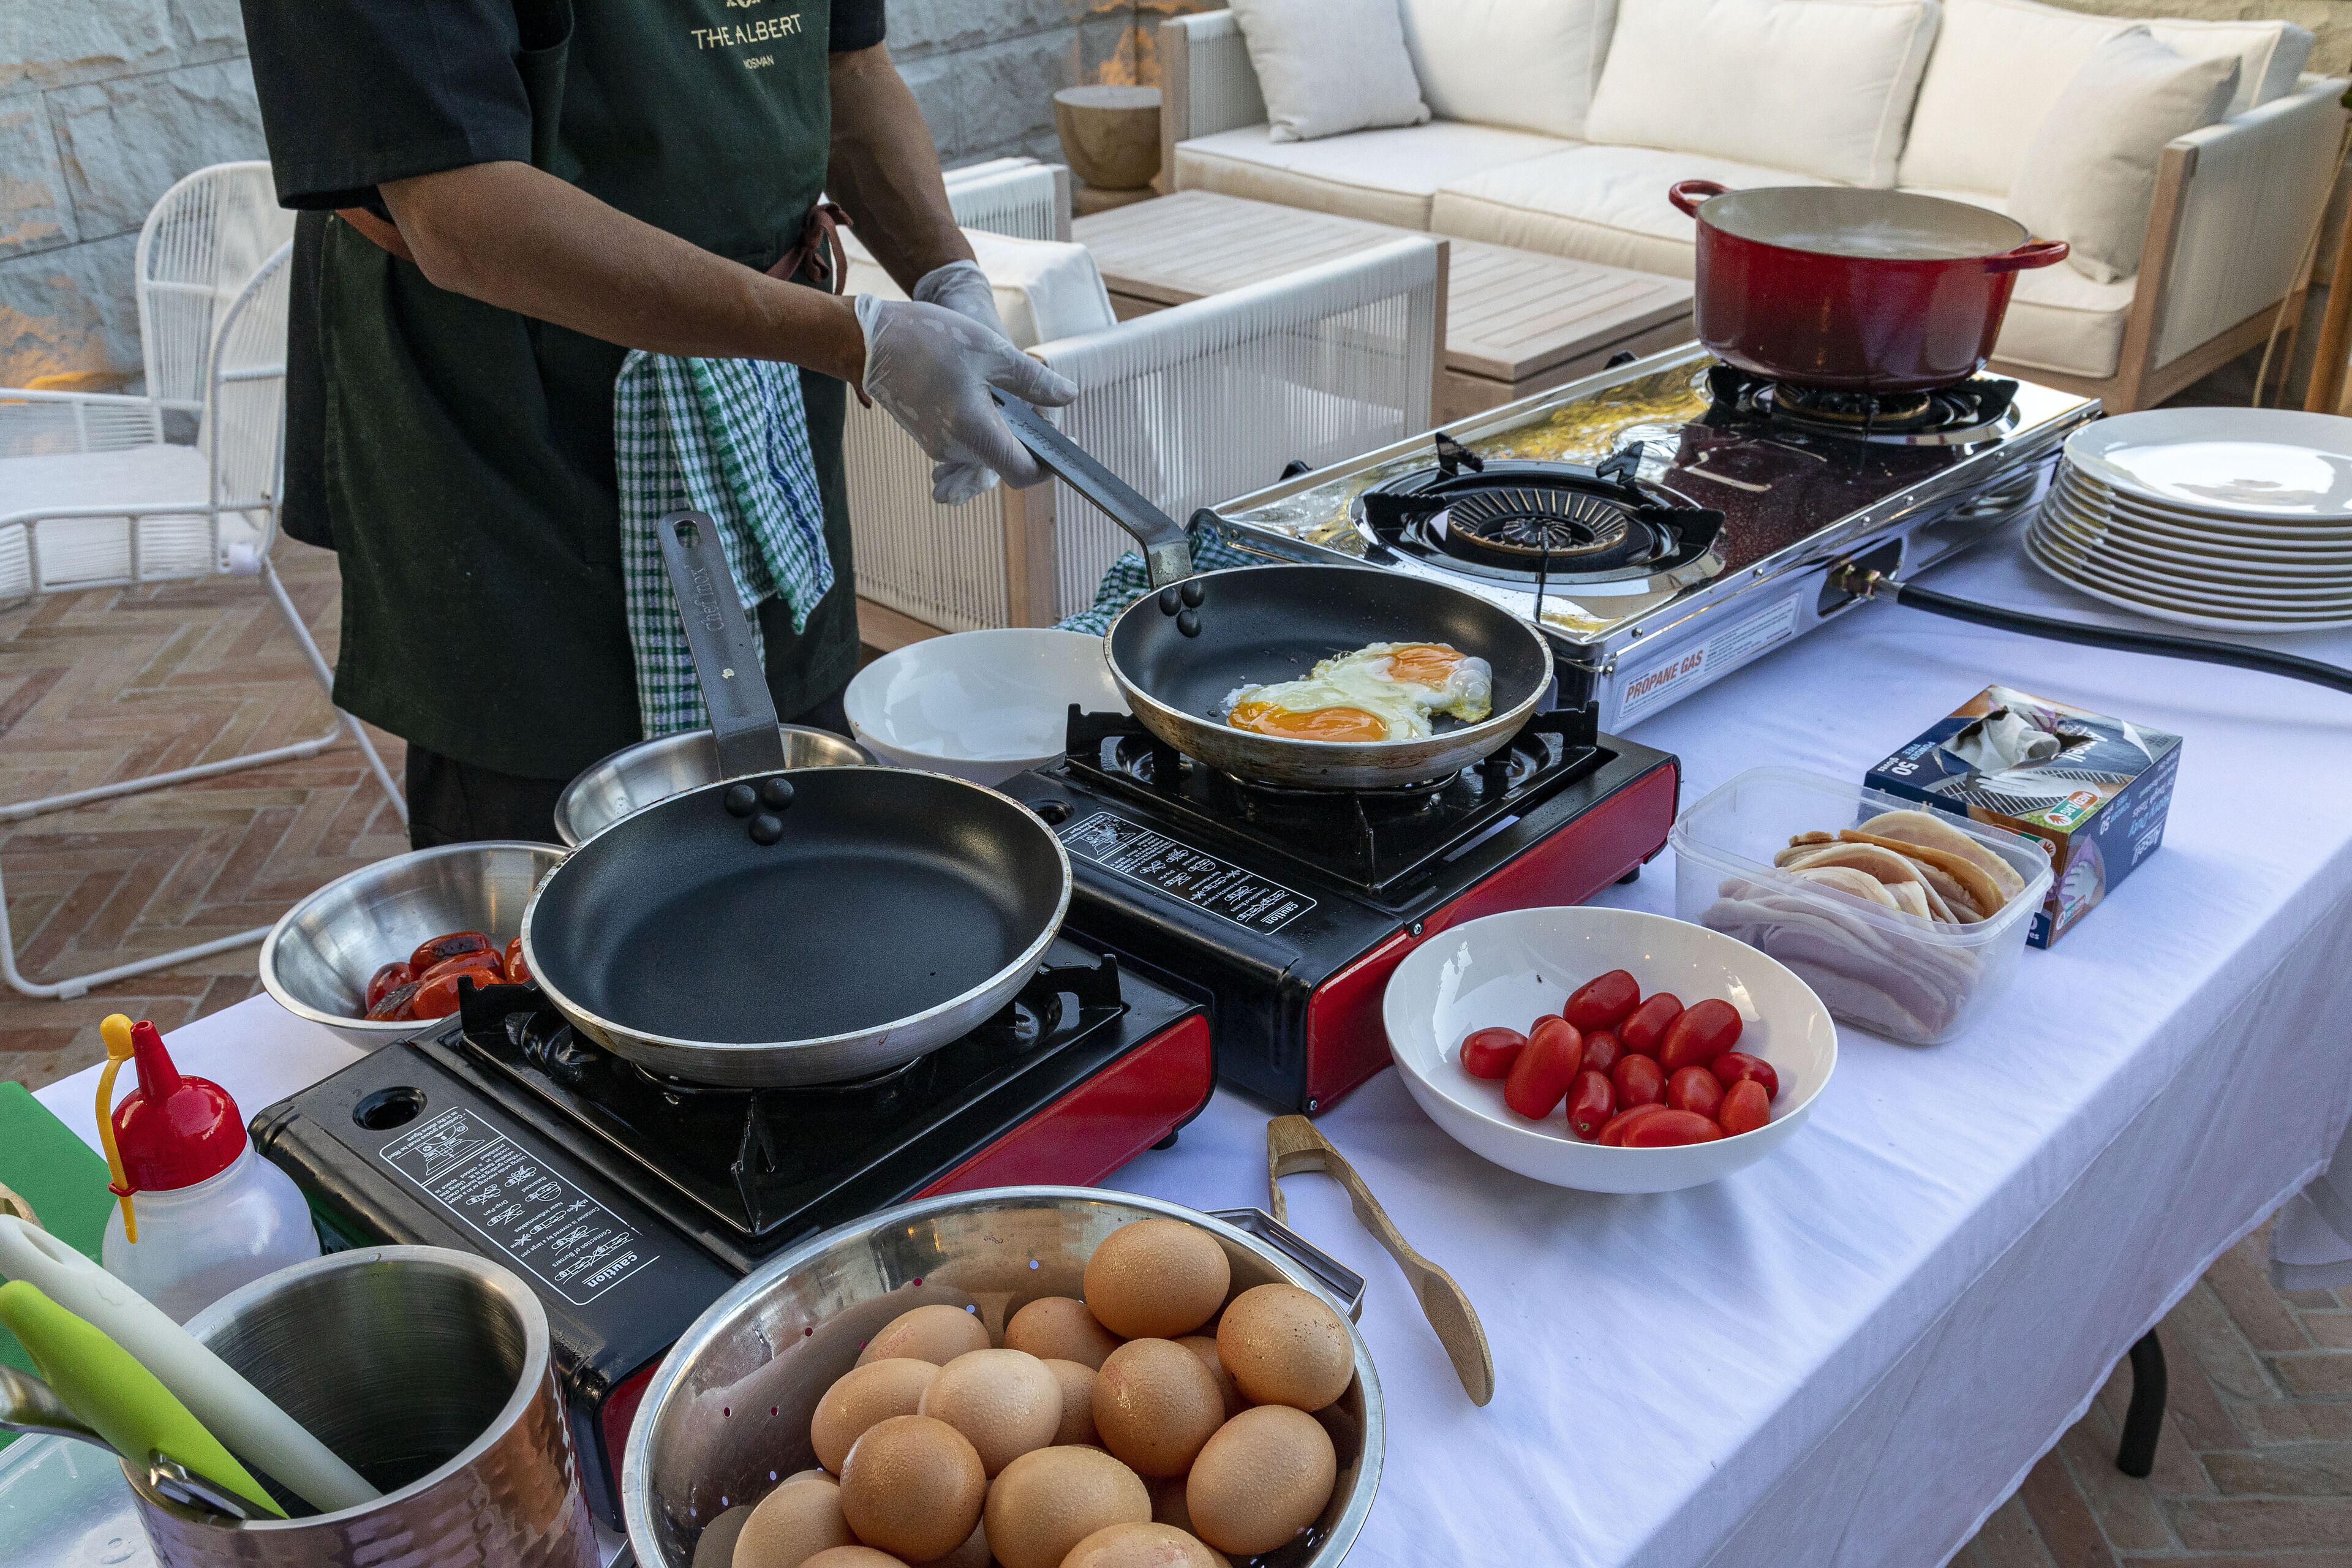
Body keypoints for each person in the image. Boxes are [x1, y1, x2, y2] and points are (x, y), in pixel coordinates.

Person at [238, 0, 1072, 846]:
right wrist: (855, 340)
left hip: (770, 383)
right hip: (511, 412)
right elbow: (456, 209)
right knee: (558, 832)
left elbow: (847, 65)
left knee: (806, 765)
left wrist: (944, 277)